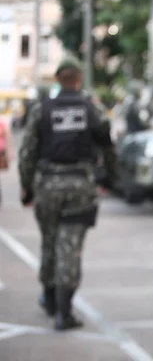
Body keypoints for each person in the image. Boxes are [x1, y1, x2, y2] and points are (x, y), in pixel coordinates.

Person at [18, 59, 116, 331]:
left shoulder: (41, 110)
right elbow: (108, 145)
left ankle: (49, 300)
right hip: (80, 187)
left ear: (58, 79)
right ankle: (64, 312)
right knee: (69, 248)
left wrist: (26, 188)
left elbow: (27, 153)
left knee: (49, 244)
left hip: (47, 186)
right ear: (78, 79)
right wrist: (109, 177)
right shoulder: (92, 109)